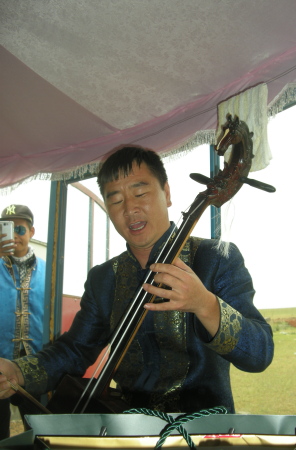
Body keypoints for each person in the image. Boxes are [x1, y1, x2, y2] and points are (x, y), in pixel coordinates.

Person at [0, 146, 274, 418]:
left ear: (166, 193)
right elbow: (75, 349)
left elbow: (259, 354)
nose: (130, 208)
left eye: (140, 193)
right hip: (130, 432)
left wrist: (205, 304)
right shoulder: (104, 278)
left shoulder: (215, 259)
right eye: (116, 200)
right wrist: (18, 371)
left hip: (203, 431)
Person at [0, 205, 46, 440]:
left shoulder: (49, 271)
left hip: (35, 363)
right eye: (7, 228)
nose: (14, 235)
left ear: (32, 232)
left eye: (20, 228)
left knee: (38, 431)